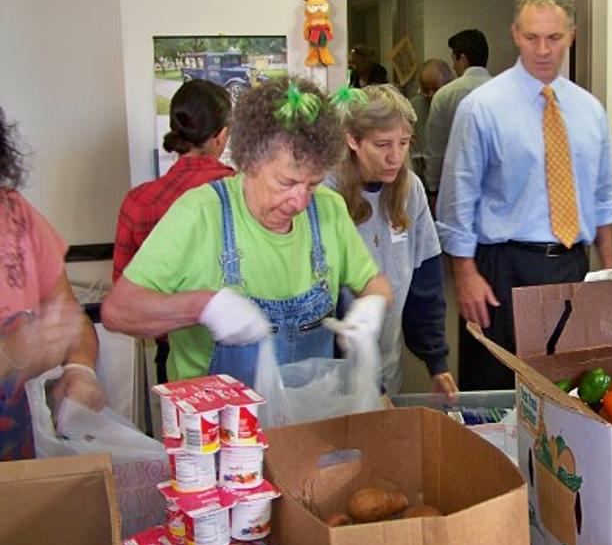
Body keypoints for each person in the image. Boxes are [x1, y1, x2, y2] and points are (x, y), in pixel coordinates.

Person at [102, 77, 393, 388]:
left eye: (313, 183)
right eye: (287, 183)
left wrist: (372, 306)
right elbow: (118, 311)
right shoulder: (199, 214)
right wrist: (202, 306)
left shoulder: (329, 209)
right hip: (219, 429)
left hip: (308, 418)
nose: (301, 201)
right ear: (248, 161)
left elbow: (375, 284)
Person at [436, 0, 612, 390]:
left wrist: (609, 270)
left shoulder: (589, 110)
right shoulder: (482, 107)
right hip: (501, 269)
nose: (542, 49)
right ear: (515, 34)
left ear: (571, 34)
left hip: (572, 266)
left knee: (565, 392)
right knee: (494, 393)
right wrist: (465, 276)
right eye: (532, 37)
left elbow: (603, 198)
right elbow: (456, 201)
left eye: (554, 38)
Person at [329, 84, 457, 399]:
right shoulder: (326, 195)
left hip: (386, 368)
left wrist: (436, 361)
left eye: (403, 143)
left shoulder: (409, 190)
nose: (395, 157)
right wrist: (370, 383)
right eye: (382, 144)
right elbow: (330, 305)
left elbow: (424, 285)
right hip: (336, 376)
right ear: (352, 140)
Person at [0, 108, 106, 460]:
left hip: (22, 460)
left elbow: (69, 314)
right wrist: (9, 355)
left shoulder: (16, 214)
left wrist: (79, 370)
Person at [112, 79, 235, 382]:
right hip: (236, 349)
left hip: (171, 354)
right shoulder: (240, 194)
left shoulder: (140, 201)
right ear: (221, 136)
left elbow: (124, 290)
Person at [424, 29, 493, 204]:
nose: (454, 66)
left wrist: (432, 190)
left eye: (454, 59)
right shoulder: (505, 92)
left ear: (462, 58)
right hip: (494, 188)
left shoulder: (445, 95)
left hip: (455, 189)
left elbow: (435, 151)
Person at [409, 59, 454, 183]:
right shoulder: (413, 106)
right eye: (425, 89)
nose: (430, 95)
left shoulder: (456, 106)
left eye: (435, 89)